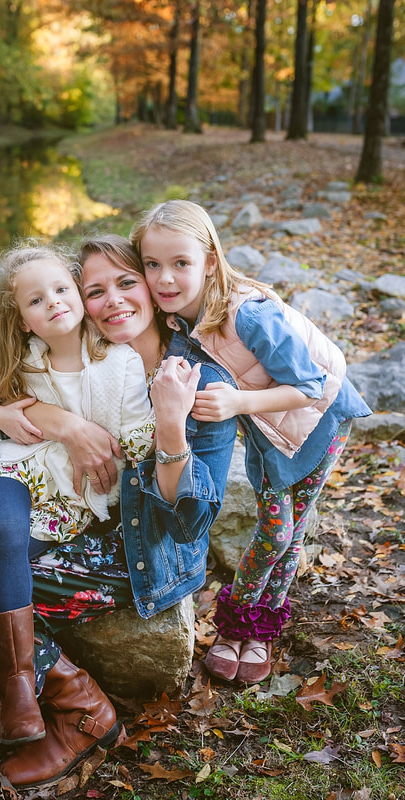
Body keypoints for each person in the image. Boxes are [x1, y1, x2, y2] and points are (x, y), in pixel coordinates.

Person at [0, 234, 239, 789]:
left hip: (138, 545)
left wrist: (170, 428)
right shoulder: (53, 351)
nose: (112, 300)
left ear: (151, 284)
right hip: (39, 494)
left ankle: (73, 710)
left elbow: (185, 522)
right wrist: (60, 423)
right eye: (96, 289)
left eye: (126, 283)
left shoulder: (194, 376)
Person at [0, 241, 155, 769]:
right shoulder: (22, 359)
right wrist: (6, 417)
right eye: (36, 300)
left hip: (70, 497)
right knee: (4, 537)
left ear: (79, 295)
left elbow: (132, 441)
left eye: (61, 289)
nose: (52, 302)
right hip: (11, 472)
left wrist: (159, 421)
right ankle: (18, 697)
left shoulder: (120, 363)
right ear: (25, 321)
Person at [130, 200, 371, 684]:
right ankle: (246, 627)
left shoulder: (251, 315)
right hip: (269, 431)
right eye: (152, 265)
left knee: (284, 533)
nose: (165, 279)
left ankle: (249, 627)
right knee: (281, 531)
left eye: (181, 263)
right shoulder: (177, 318)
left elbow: (311, 385)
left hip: (321, 420)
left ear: (210, 262)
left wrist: (238, 403)